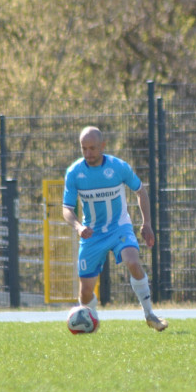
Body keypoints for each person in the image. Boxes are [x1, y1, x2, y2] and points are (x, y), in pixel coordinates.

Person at [62, 126, 167, 331]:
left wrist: (146, 223)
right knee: (85, 293)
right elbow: (66, 208)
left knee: (132, 261)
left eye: (92, 148)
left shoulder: (118, 167)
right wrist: (78, 226)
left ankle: (150, 314)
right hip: (91, 234)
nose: (88, 153)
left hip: (120, 228)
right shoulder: (74, 172)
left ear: (103, 146)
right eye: (84, 149)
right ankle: (92, 322)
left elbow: (141, 191)